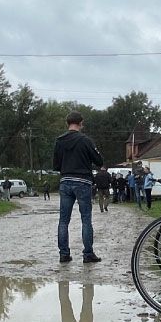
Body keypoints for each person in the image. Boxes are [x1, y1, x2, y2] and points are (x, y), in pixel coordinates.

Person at [52, 110, 103, 263]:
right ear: (81, 123)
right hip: (83, 181)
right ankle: (88, 254)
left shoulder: (59, 141)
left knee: (63, 220)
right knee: (86, 219)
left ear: (67, 123)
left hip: (65, 181)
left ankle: (64, 254)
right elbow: (99, 160)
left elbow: (56, 165)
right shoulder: (85, 140)